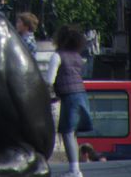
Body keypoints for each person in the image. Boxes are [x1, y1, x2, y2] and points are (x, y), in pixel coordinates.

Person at [46, 25, 93, 177]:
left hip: (69, 97)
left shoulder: (57, 56)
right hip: (82, 95)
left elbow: (49, 80)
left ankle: (74, 170)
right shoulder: (77, 57)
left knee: (66, 133)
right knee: (72, 133)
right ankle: (75, 168)